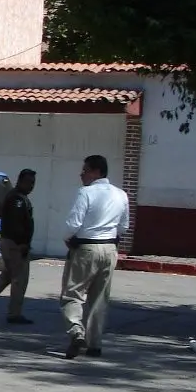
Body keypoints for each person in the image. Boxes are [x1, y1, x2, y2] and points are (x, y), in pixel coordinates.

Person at [59, 154, 129, 359]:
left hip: (86, 248)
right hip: (109, 248)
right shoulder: (121, 194)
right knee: (99, 298)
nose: (82, 174)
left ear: (97, 172)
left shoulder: (86, 193)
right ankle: (95, 343)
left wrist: (67, 238)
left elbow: (73, 223)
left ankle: (76, 332)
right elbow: (123, 226)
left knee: (72, 295)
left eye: (85, 170)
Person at [0, 169, 36, 324]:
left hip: (11, 243)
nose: (31, 186)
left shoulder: (19, 197)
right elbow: (16, 225)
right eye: (29, 182)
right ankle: (14, 313)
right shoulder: (16, 199)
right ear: (21, 181)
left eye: (33, 183)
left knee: (9, 274)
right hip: (14, 244)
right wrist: (22, 244)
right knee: (19, 279)